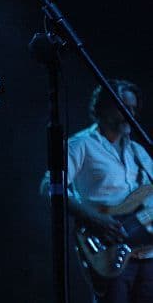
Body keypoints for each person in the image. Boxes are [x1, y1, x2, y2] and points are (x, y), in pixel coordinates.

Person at [42, 79, 153, 303]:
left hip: (149, 253)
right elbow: (49, 186)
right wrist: (94, 219)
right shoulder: (81, 145)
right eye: (124, 108)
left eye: (133, 109)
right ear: (102, 108)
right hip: (108, 250)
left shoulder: (138, 151)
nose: (130, 115)